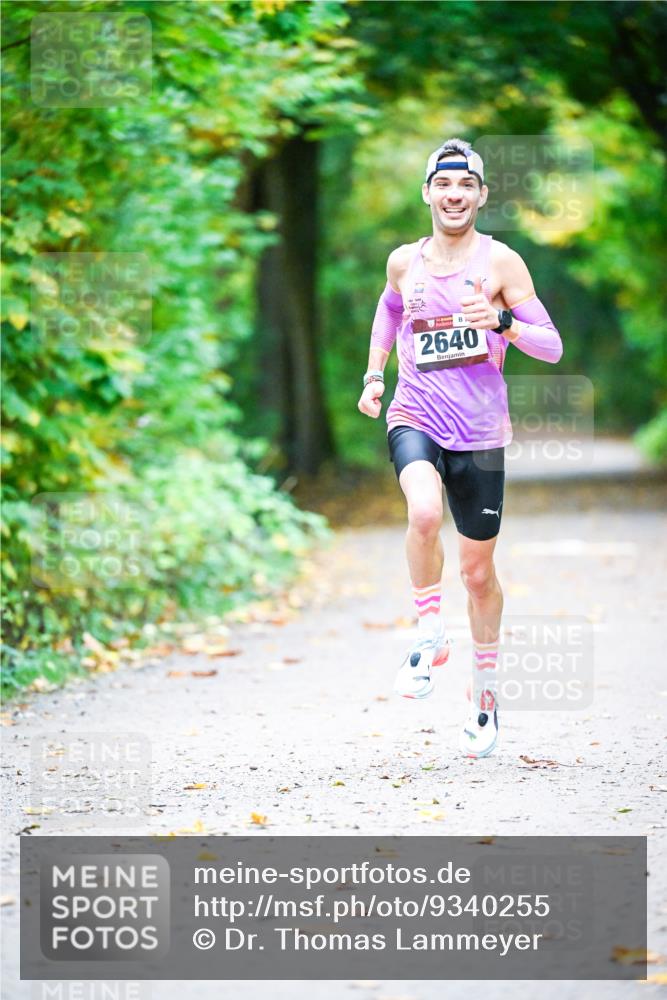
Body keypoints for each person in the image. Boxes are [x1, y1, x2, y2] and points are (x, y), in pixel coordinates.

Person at [357, 137, 563, 758]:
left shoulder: (502, 263)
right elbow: (389, 311)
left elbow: (551, 346)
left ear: (481, 195)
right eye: (443, 185)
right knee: (422, 512)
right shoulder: (404, 262)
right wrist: (374, 374)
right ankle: (429, 634)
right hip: (415, 413)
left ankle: (486, 694)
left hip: (480, 432)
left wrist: (501, 322)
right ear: (428, 192)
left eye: (466, 185)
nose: (454, 195)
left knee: (476, 575)